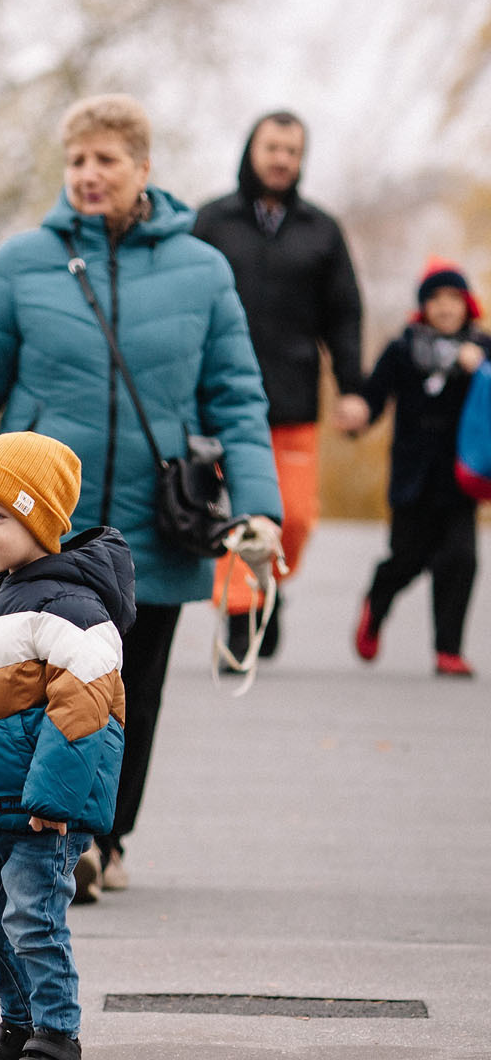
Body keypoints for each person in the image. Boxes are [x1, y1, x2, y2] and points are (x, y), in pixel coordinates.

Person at [0, 94, 281, 903]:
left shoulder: (202, 271)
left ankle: (105, 837)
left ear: (143, 168)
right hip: (40, 525)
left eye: (106, 159)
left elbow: (238, 399)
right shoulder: (22, 263)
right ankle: (56, 837)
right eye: (76, 160)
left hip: (157, 524)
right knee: (36, 682)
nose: (88, 174)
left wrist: (260, 509)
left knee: (129, 687)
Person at [0, 432, 133, 1060]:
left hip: (42, 811)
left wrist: (55, 800)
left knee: (34, 921)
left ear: (42, 521)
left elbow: (84, 712)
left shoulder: (72, 608)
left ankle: (58, 1045)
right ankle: (20, 1026)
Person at [193, 112, 366, 661]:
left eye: (292, 151)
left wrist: (353, 388)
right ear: (252, 150)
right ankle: (239, 617)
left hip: (292, 400)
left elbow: (344, 316)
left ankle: (268, 582)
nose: (281, 159)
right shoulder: (211, 222)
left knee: (293, 516)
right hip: (219, 403)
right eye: (272, 148)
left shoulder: (322, 231)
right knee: (233, 514)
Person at [337, 261, 486, 677]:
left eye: (454, 298)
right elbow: (374, 396)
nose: (445, 307)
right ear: (423, 306)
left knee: (460, 559)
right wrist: (358, 416)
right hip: (412, 477)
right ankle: (377, 601)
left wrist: (481, 369)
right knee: (408, 557)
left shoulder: (482, 349)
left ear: (468, 305)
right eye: (436, 299)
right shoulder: (403, 349)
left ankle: (448, 650)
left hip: (461, 478)